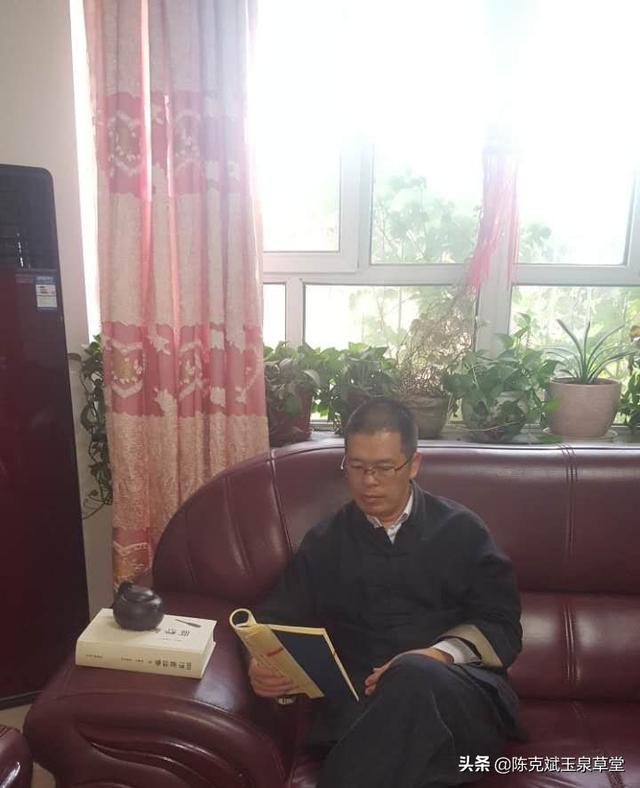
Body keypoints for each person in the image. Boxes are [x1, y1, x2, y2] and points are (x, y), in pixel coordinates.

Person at [248, 397, 524, 788]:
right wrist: (262, 664)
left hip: (458, 697)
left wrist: (437, 655)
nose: (369, 482)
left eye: (383, 468)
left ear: (414, 464)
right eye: (357, 467)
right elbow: (276, 618)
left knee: (412, 674)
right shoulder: (326, 542)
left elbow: (502, 625)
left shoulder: (462, 531)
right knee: (395, 738)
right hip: (364, 708)